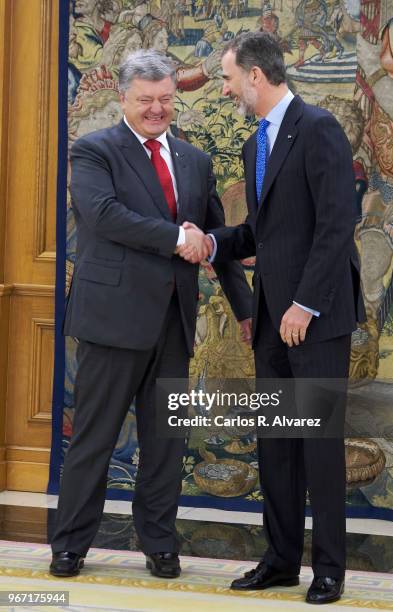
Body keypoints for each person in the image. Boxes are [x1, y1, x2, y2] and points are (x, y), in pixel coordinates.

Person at [50, 49, 252, 579]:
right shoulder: (93, 151)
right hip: (113, 321)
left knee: (166, 443)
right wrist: (174, 237)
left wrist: (245, 309)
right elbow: (105, 216)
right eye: (146, 100)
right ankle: (70, 544)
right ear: (124, 98)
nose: (157, 109)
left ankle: (159, 543)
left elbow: (214, 241)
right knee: (95, 439)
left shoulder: (195, 160)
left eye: (165, 99)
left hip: (174, 323)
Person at [180, 31, 365, 605]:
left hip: (315, 315)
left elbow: (336, 226)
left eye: (232, 79)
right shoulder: (254, 143)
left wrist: (304, 306)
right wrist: (211, 243)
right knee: (277, 444)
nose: (229, 88)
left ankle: (328, 570)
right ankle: (282, 560)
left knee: (318, 444)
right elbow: (263, 234)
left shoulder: (319, 130)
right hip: (271, 319)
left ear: (256, 76)